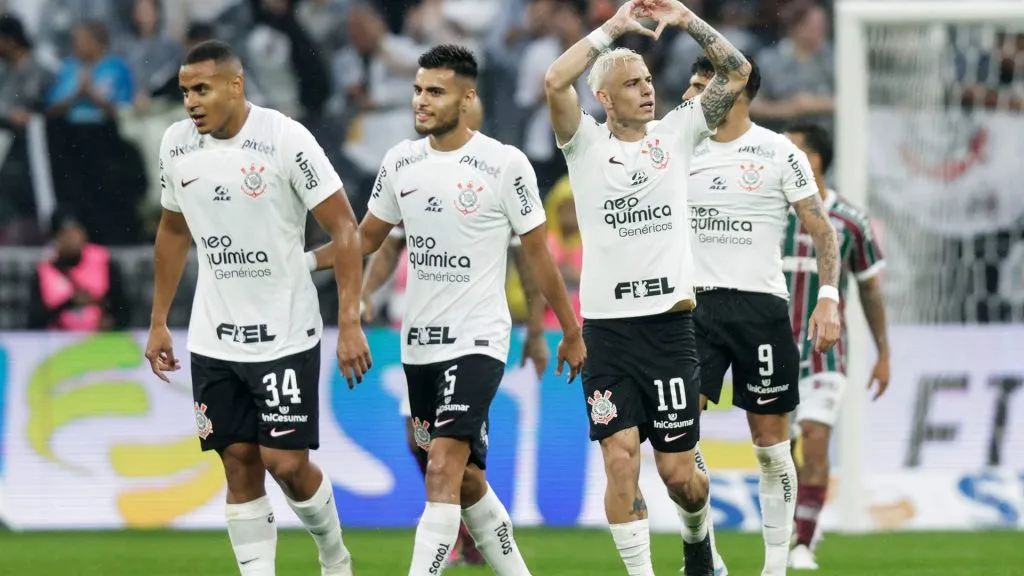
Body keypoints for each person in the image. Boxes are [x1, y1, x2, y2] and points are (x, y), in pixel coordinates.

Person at [355, 44, 585, 575]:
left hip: (480, 338)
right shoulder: (401, 163)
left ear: (468, 99)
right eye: (417, 90)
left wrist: (561, 330)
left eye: (434, 92)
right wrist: (323, 276)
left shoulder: (504, 164)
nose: (422, 101)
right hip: (419, 344)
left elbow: (536, 259)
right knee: (465, 479)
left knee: (441, 466)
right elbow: (375, 241)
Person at [144, 40, 372, 576]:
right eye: (184, 92)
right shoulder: (176, 145)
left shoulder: (284, 139)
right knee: (239, 463)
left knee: (286, 464)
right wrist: (158, 320)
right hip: (213, 335)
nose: (191, 103)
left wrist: (349, 319)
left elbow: (344, 227)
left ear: (235, 85)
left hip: (285, 332)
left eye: (201, 89)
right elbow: (173, 231)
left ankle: (334, 555)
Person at [544, 0, 751, 574]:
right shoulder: (583, 144)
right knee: (618, 459)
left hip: (669, 330)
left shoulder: (679, 132)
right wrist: (610, 29)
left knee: (680, 477)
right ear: (603, 98)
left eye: (647, 80)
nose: (645, 89)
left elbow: (737, 73)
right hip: (607, 336)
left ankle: (697, 542)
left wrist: (686, 20)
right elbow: (554, 79)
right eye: (629, 83)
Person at [682, 54, 841, 576]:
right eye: (689, 86)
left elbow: (822, 229)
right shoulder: (680, 147)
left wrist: (828, 298)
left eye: (702, 86)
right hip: (696, 307)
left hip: (760, 310)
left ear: (736, 89)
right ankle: (702, 551)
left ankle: (775, 567)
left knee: (772, 448)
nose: (691, 96)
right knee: (677, 438)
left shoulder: (779, 152)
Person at [782, 122, 890, 570]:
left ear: (817, 160)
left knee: (816, 438)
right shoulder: (770, 211)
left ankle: (803, 543)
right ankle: (796, 519)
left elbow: (869, 289)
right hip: (772, 351)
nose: (783, 158)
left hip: (826, 352)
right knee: (777, 452)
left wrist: (884, 352)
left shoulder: (850, 219)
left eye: (793, 151)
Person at [27, 209, 130, 331]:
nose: (73, 238)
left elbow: (122, 306)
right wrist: (70, 303)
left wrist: (111, 321)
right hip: (58, 343)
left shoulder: (103, 262)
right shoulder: (44, 271)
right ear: (55, 238)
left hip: (101, 340)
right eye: (65, 234)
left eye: (76, 232)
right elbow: (35, 319)